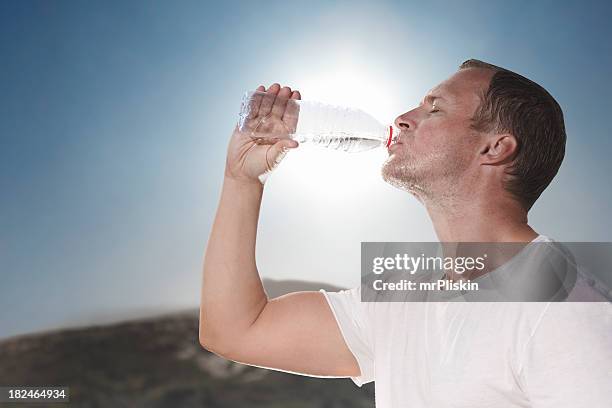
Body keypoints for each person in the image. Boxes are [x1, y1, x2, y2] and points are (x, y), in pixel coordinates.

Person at [199, 59, 612, 407]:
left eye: (434, 109)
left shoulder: (567, 310)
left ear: (495, 148)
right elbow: (237, 330)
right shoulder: (402, 297)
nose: (402, 118)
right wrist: (241, 181)